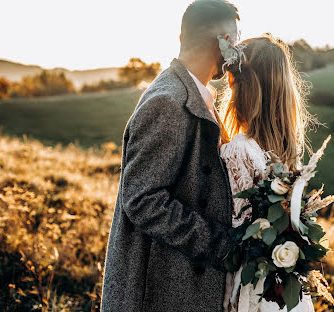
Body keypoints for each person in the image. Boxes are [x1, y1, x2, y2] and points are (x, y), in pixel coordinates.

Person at [100, 1, 240, 311]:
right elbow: (142, 200)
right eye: (236, 41)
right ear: (223, 41)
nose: (236, 53)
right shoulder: (168, 101)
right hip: (158, 292)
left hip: (177, 286)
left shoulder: (188, 93)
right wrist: (221, 244)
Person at [219, 35, 320, 312]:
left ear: (234, 83)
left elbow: (232, 227)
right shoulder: (286, 152)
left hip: (253, 286)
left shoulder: (237, 151)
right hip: (285, 289)